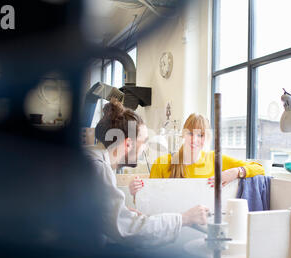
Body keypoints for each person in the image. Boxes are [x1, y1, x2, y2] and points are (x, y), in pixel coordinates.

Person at [85, 99, 209, 248]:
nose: (145, 149)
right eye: (143, 142)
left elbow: (107, 220)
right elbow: (131, 230)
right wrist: (184, 219)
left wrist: (121, 214)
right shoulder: (98, 169)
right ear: (128, 144)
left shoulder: (95, 162)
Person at [129, 113, 264, 196]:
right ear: (183, 133)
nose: (195, 140)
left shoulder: (215, 159)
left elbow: (260, 168)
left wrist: (236, 172)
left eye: (200, 135)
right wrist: (137, 193)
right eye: (190, 133)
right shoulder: (162, 162)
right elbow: (151, 201)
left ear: (207, 137)